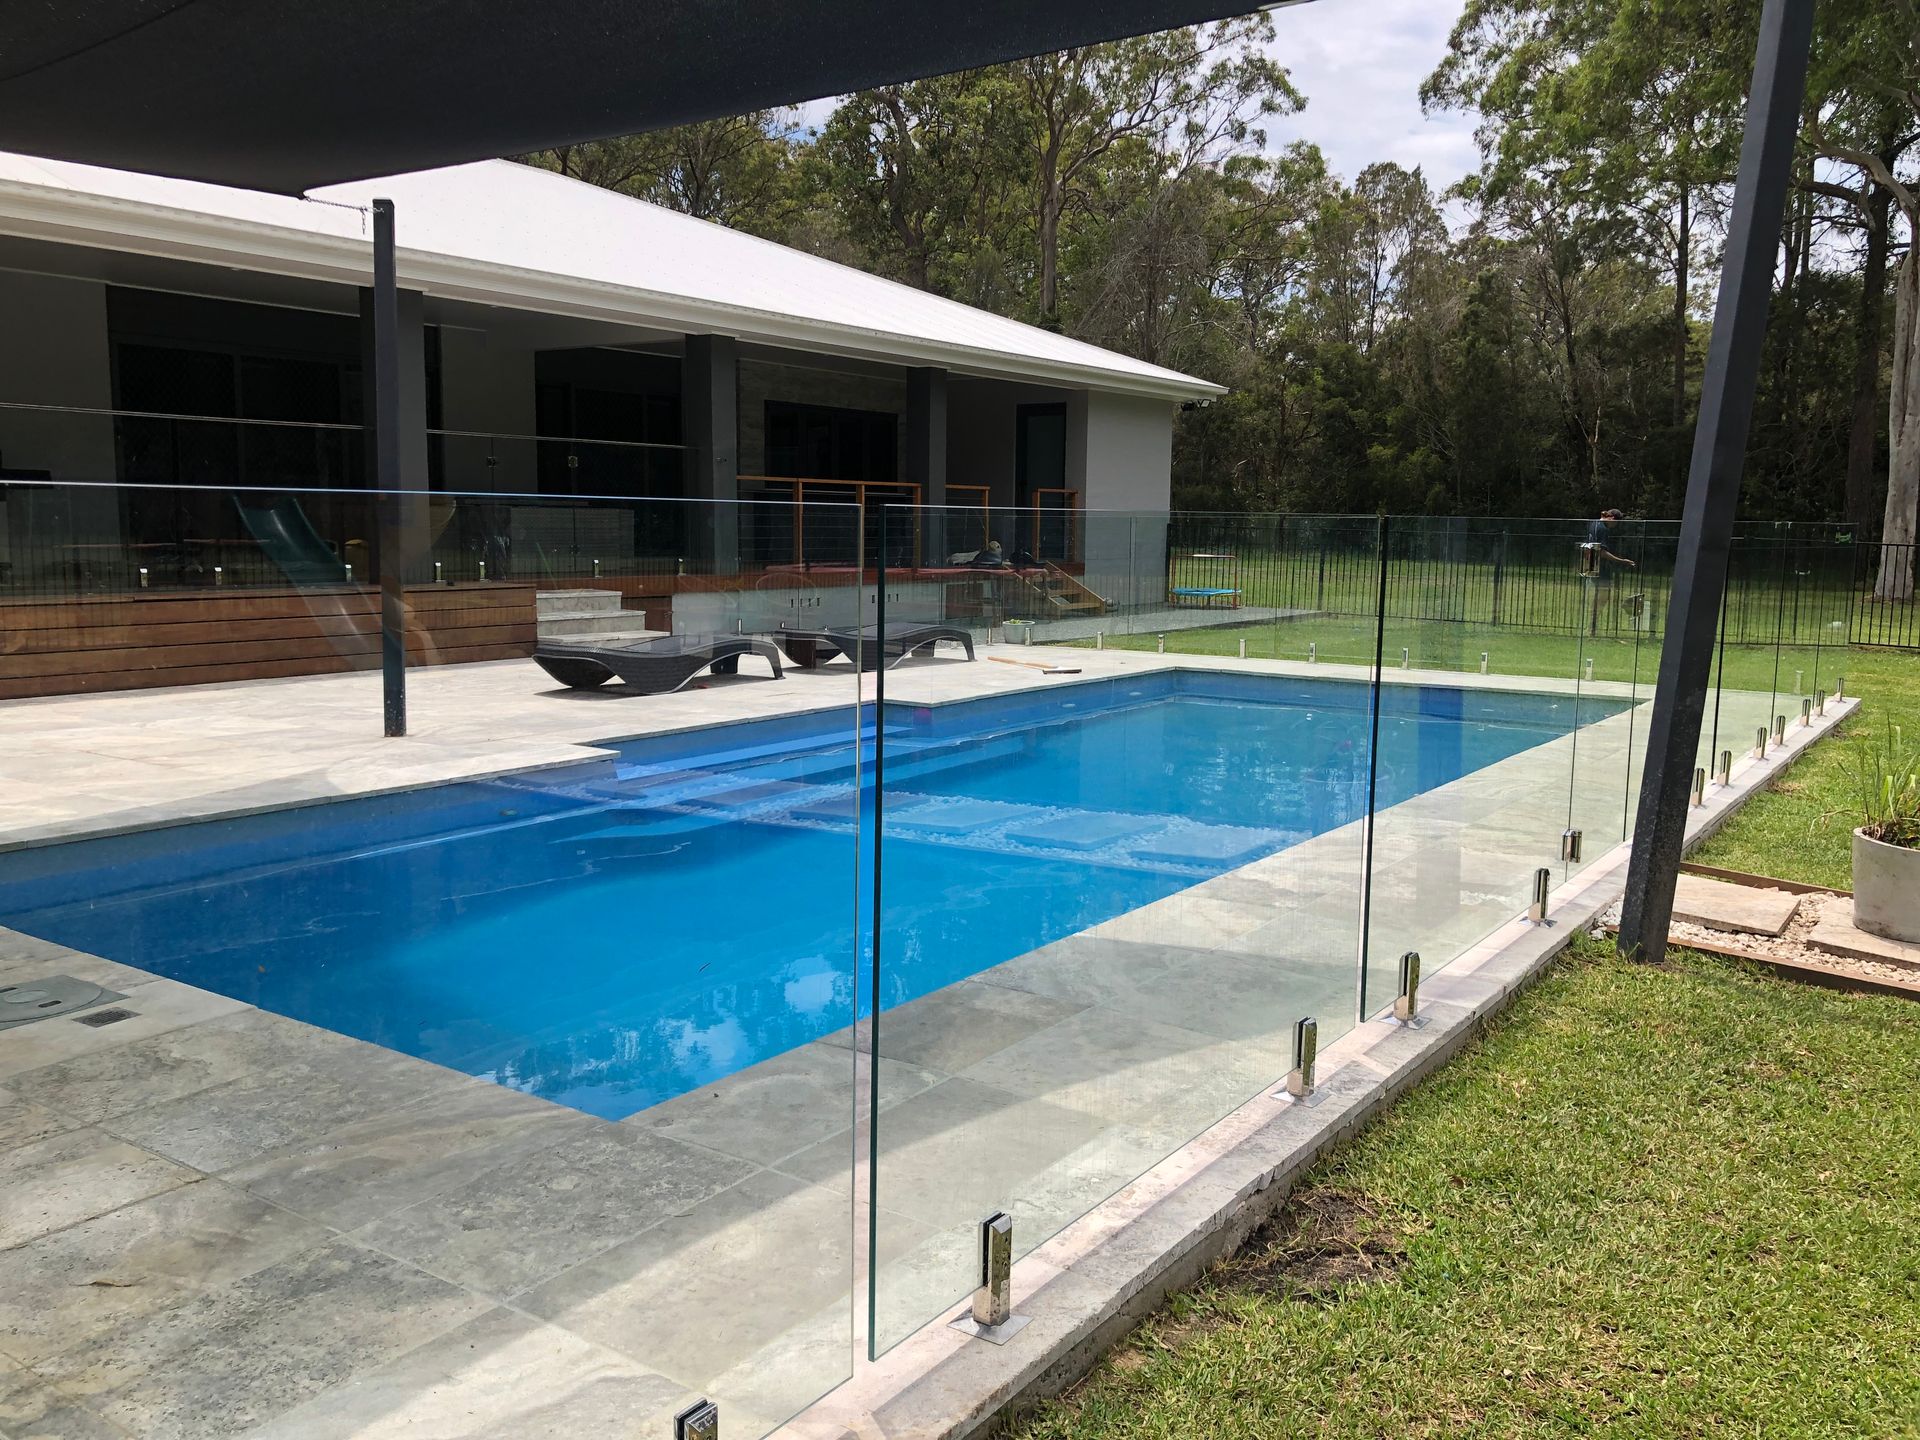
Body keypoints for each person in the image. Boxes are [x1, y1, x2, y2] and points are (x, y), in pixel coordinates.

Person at [1583, 508, 1637, 635]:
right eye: (1616, 522)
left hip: (1594, 566)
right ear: (1612, 518)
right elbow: (1601, 551)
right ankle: (1591, 628)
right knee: (1602, 597)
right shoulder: (1602, 529)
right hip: (1600, 568)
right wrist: (1622, 560)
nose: (1616, 526)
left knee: (1600, 597)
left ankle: (1592, 628)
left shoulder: (1594, 523)